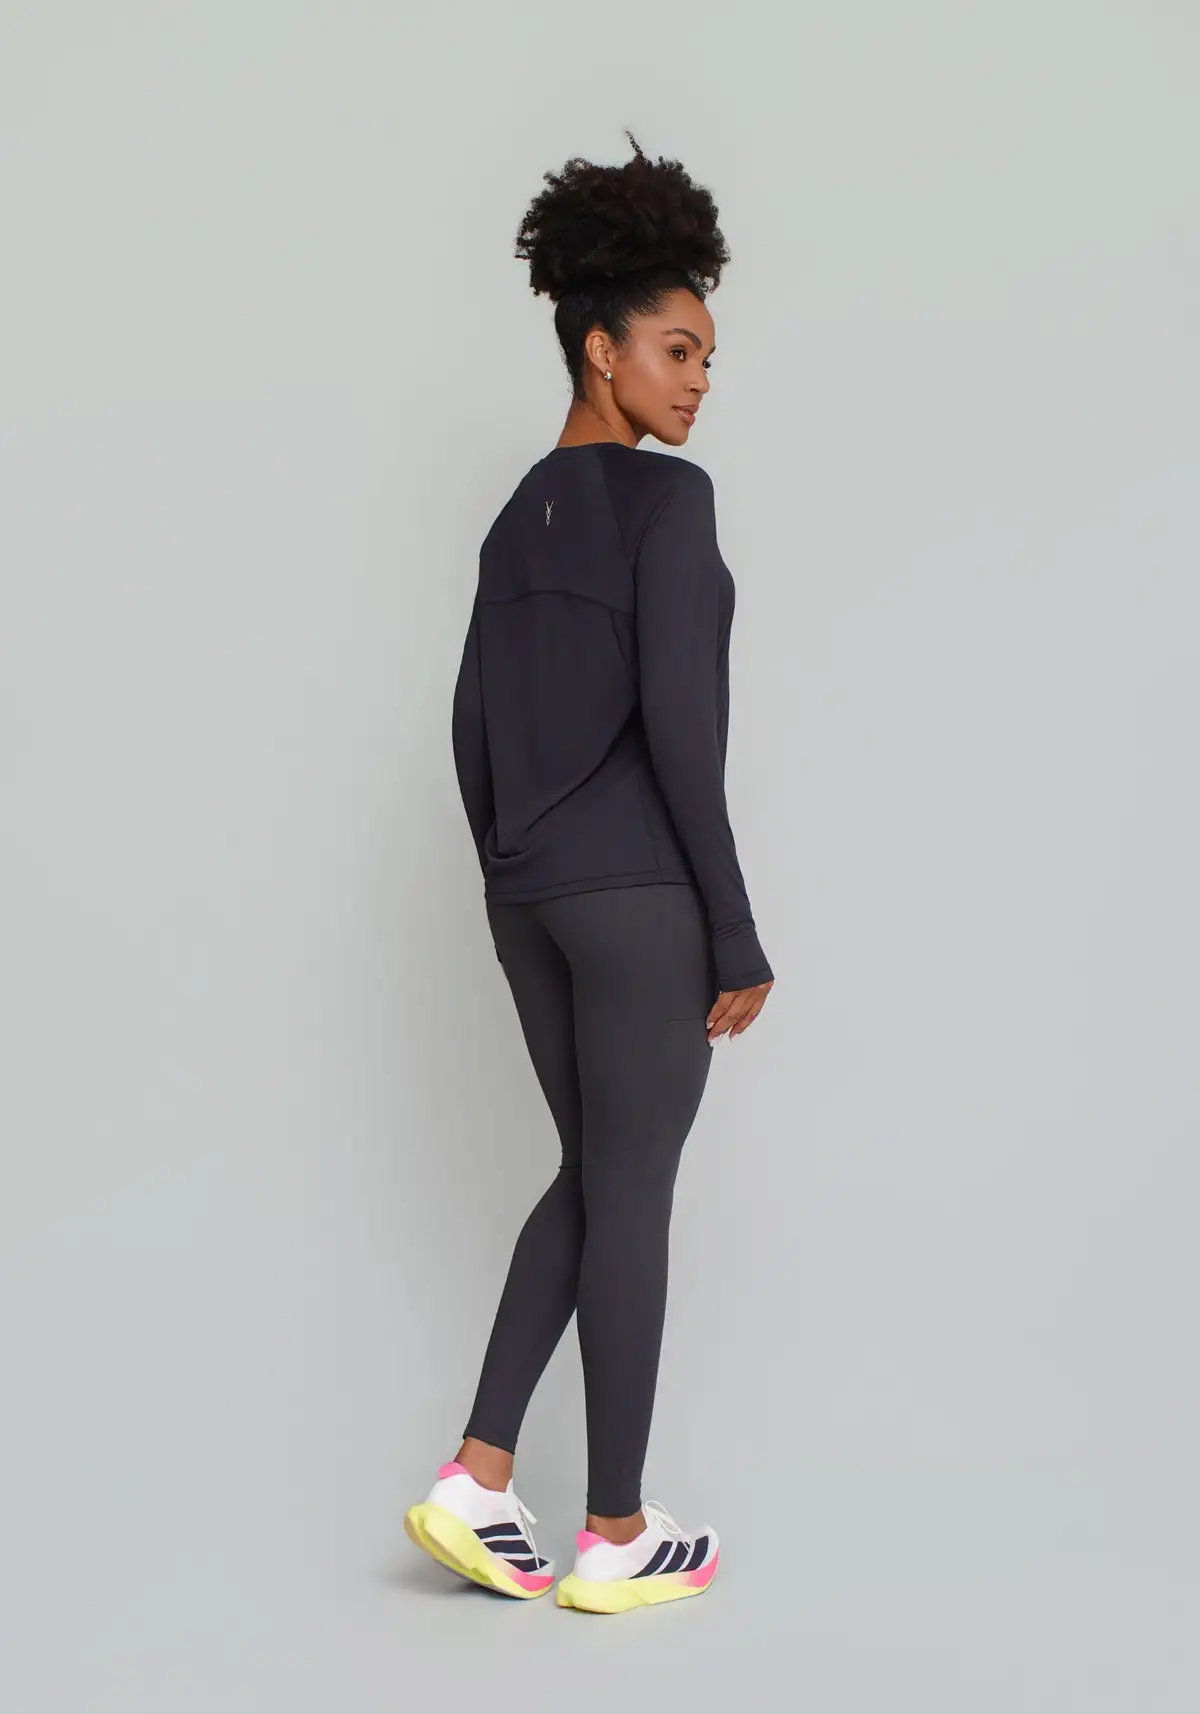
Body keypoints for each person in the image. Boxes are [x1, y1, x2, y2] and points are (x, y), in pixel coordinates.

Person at [404, 133, 774, 1615]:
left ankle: (477, 1475)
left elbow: (467, 724)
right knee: (635, 1196)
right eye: (678, 350)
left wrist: (514, 866)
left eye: (708, 357)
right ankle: (614, 1528)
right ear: (600, 348)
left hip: (531, 898)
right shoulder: (668, 507)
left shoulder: (513, 519)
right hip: (642, 904)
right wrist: (733, 929)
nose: (699, 380)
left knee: (593, 1173)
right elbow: (683, 730)